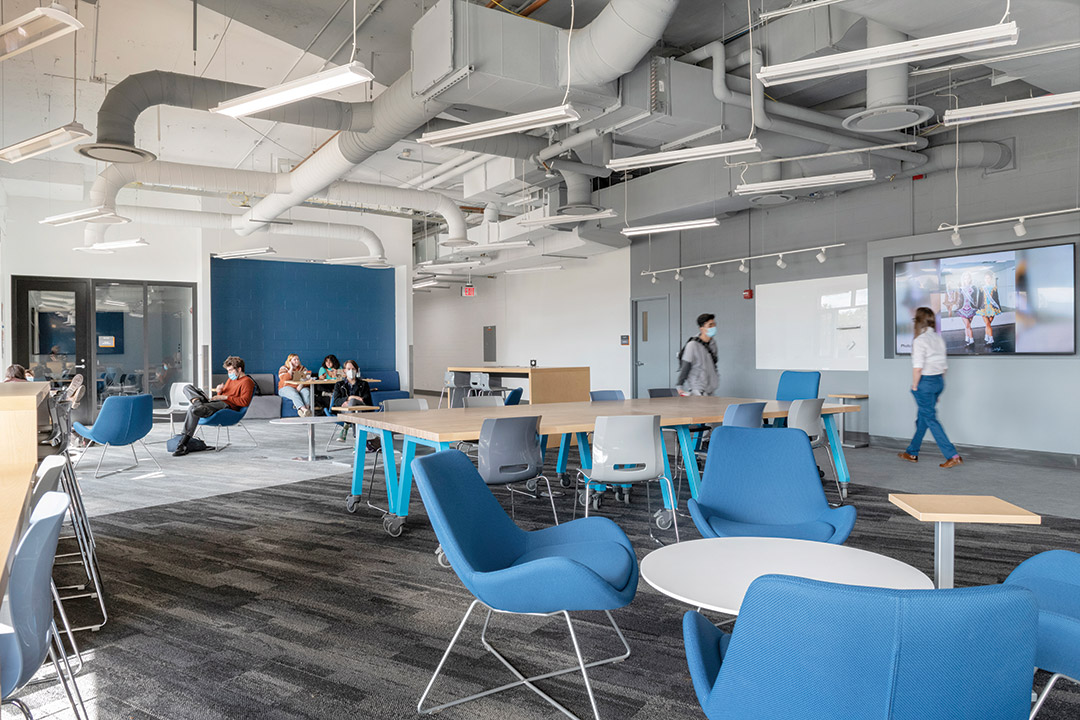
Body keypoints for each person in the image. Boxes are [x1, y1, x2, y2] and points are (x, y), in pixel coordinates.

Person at [898, 307, 963, 469]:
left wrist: (915, 386)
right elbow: (944, 367)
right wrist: (936, 390)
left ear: (918, 321)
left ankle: (952, 455)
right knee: (923, 418)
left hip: (925, 383)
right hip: (939, 381)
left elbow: (918, 368)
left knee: (931, 419)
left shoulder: (920, 340)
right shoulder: (938, 338)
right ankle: (912, 452)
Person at [173, 356, 255, 456]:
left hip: (227, 406)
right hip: (216, 404)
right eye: (228, 371)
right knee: (187, 387)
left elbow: (244, 402)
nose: (229, 374)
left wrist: (224, 397)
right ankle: (199, 405)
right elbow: (221, 397)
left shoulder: (247, 382)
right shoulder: (231, 380)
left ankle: (183, 444)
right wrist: (219, 392)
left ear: (239, 369)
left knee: (191, 409)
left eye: (230, 370)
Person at [330, 360, 374, 441]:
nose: (351, 371)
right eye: (348, 369)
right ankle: (357, 442)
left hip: (362, 409)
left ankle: (345, 427)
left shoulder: (364, 384)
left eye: (353, 369)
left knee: (354, 403)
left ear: (356, 370)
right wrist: (348, 399)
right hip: (345, 411)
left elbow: (366, 399)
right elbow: (336, 401)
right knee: (355, 412)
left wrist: (351, 400)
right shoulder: (339, 385)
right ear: (344, 370)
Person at [676, 313, 719, 396]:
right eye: (710, 325)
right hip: (698, 389)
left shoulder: (713, 344)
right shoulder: (692, 345)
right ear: (702, 329)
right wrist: (679, 385)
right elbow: (686, 366)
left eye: (714, 324)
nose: (713, 327)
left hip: (711, 388)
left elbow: (714, 364)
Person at [976, 271, 1002, 346]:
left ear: (991, 279)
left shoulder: (994, 288)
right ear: (984, 279)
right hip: (984, 308)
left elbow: (997, 298)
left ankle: (986, 336)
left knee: (988, 324)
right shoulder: (981, 288)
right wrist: (978, 308)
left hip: (992, 308)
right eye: (986, 278)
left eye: (989, 278)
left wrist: (999, 307)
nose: (987, 279)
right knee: (987, 323)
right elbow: (979, 299)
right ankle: (991, 339)